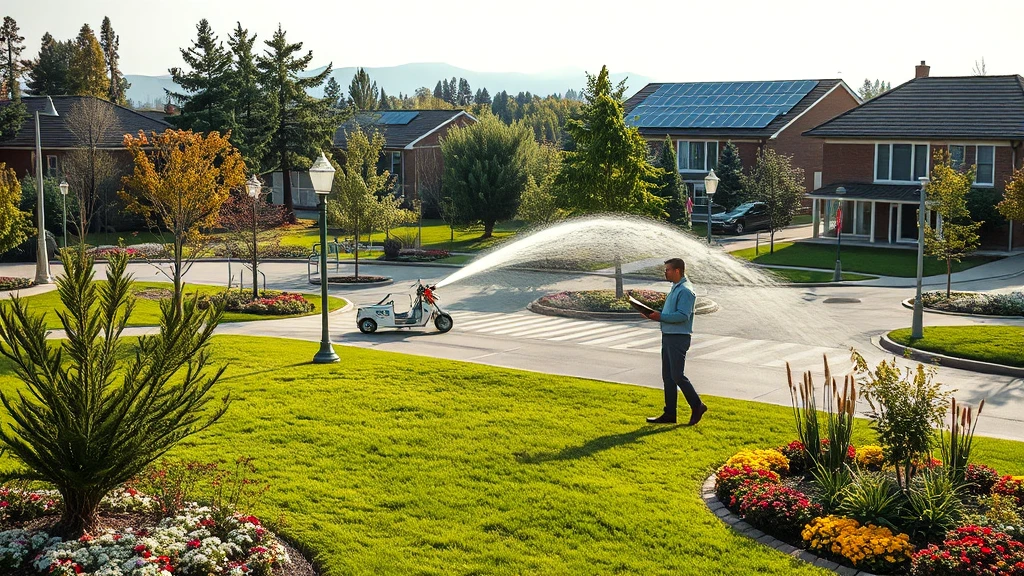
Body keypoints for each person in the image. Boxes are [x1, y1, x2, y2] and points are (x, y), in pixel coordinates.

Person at [642, 258, 707, 425]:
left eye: (668, 270)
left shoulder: (685, 291)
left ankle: (697, 405)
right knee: (668, 377)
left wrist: (660, 316)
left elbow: (682, 315)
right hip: (669, 336)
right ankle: (670, 413)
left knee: (677, 375)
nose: (665, 272)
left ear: (677, 271)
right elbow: (672, 313)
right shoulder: (676, 287)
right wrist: (653, 315)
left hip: (678, 337)